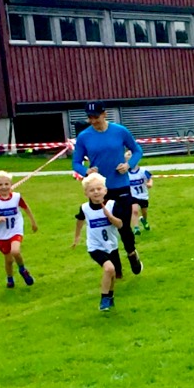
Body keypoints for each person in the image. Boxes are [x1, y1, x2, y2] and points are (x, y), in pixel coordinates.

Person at [72, 102, 144, 274]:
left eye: (96, 117)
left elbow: (137, 150)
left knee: (123, 224)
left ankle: (131, 253)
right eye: (90, 118)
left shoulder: (120, 131)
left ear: (104, 114)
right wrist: (86, 171)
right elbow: (76, 162)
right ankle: (115, 268)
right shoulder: (84, 137)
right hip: (99, 189)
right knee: (104, 226)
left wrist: (129, 165)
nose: (93, 121)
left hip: (120, 185)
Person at [71, 173, 124, 312]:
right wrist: (77, 237)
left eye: (99, 189)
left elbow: (120, 225)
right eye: (92, 190)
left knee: (112, 274)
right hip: (95, 247)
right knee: (109, 269)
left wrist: (110, 217)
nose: (96, 192)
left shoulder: (112, 205)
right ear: (86, 193)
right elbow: (79, 220)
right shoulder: (84, 208)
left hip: (111, 245)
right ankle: (104, 298)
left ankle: (110, 296)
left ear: (105, 190)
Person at [0, 171, 38, 289]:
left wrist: (33, 222)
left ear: (11, 184)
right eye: (0, 185)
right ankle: (10, 278)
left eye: (6, 184)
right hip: (2, 234)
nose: (4, 187)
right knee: (8, 260)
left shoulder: (16, 197)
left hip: (15, 229)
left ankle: (22, 269)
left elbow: (25, 207)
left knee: (15, 251)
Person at [128, 161, 153, 234]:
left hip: (143, 195)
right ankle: (136, 228)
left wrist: (150, 183)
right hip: (133, 196)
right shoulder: (126, 173)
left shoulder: (143, 171)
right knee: (134, 210)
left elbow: (150, 178)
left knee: (144, 211)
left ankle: (144, 220)